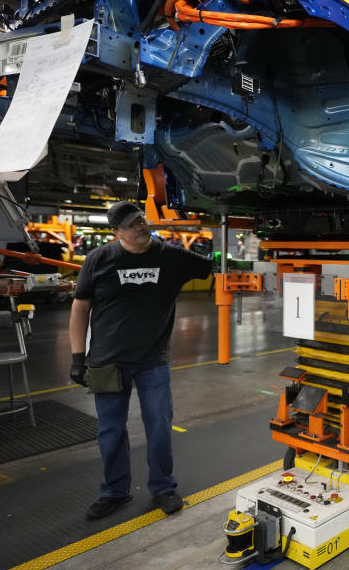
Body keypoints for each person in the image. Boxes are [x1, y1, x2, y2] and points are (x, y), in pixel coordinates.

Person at [69, 201, 213, 520]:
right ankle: (114, 492)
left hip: (153, 362)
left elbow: (212, 266)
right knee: (110, 430)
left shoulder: (171, 257)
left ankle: (163, 487)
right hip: (107, 361)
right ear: (116, 231)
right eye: (131, 224)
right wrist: (78, 357)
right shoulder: (99, 259)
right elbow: (80, 308)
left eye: (141, 220)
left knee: (159, 427)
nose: (140, 227)